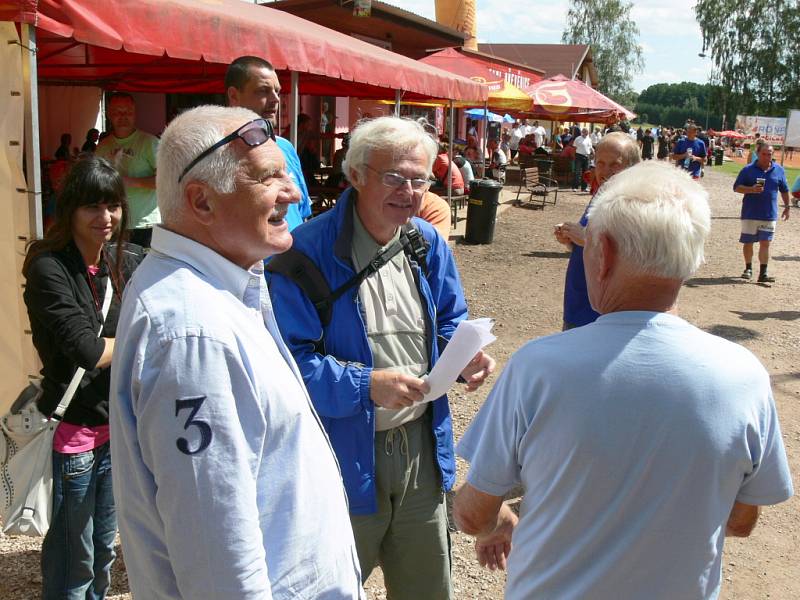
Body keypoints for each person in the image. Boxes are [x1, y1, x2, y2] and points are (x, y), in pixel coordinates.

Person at [454, 161, 793, 599]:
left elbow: (472, 514)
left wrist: (495, 522)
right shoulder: (743, 374)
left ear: (605, 253)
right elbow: (742, 521)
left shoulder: (538, 367)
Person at [109, 106, 363, 599]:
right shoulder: (192, 332)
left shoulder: (216, 293)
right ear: (201, 202)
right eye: (269, 178)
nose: (293, 193)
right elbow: (217, 558)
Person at [268, 116, 495, 600]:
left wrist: (465, 356)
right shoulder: (303, 254)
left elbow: (451, 316)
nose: (409, 191)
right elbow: (285, 365)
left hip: (420, 448)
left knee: (426, 589)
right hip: (340, 451)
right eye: (393, 177)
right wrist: (365, 384)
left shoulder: (426, 242)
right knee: (327, 588)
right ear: (355, 175)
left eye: (419, 179)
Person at [23, 155, 143, 599]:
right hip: (72, 431)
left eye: (112, 205)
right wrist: (141, 335)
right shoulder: (48, 267)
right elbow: (87, 351)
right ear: (70, 208)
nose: (105, 217)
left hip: (116, 429)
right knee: (75, 558)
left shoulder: (125, 262)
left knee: (103, 550)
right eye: (92, 206)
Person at [554, 132, 640, 329]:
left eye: (614, 164)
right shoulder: (603, 191)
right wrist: (570, 239)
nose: (605, 170)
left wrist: (585, 238)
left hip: (603, 315)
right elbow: (593, 240)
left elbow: (632, 255)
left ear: (632, 167)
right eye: (600, 163)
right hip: (579, 305)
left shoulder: (634, 203)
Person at [225, 55, 312, 230]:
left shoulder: (284, 147)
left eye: (277, 91)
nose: (276, 99)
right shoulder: (220, 153)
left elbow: (302, 212)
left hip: (295, 254)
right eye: (263, 91)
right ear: (234, 96)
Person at [96, 93, 159, 248]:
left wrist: (129, 182)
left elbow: (166, 181)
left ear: (135, 114)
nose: (123, 116)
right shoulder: (103, 146)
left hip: (145, 224)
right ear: (109, 114)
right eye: (118, 112)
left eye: (128, 112)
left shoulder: (149, 143)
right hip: (114, 223)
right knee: (118, 270)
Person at [733, 144, 791, 282]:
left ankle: (763, 273)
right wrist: (751, 189)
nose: (767, 157)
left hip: (769, 213)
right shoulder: (747, 170)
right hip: (750, 213)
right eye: (764, 154)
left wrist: (787, 206)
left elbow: (784, 190)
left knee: (765, 243)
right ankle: (748, 268)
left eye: (770, 154)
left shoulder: (779, 170)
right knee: (748, 242)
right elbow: (736, 187)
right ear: (758, 154)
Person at [572, 127, 593, 192]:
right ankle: (575, 187)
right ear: (582, 132)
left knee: (586, 173)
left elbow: (590, 148)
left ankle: (584, 187)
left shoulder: (589, 139)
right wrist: (574, 156)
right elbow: (574, 148)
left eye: (587, 132)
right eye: (585, 132)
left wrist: (593, 153)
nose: (586, 133)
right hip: (579, 156)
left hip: (587, 157)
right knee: (577, 172)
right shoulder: (578, 138)